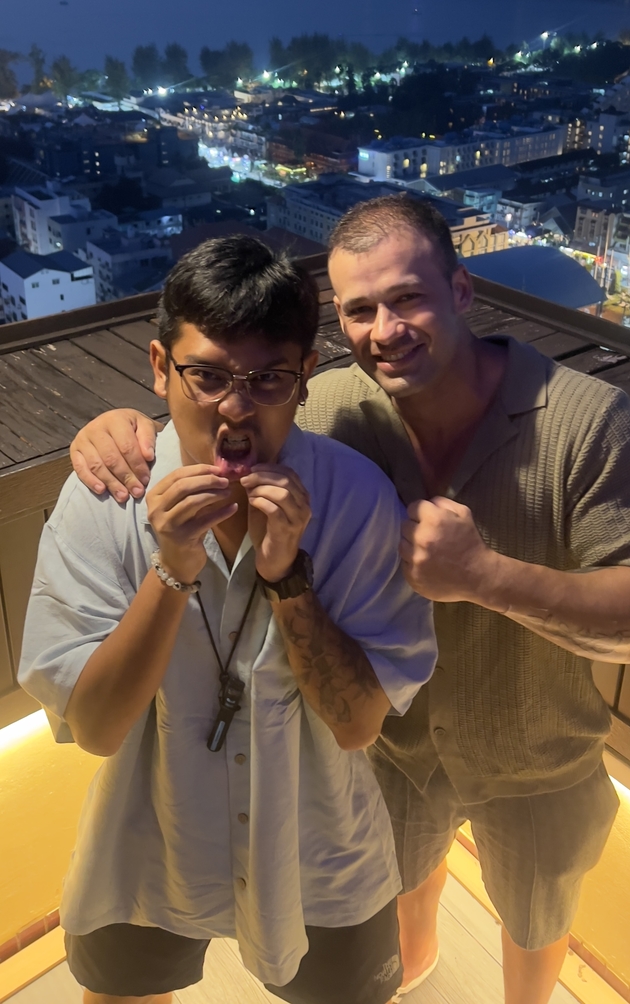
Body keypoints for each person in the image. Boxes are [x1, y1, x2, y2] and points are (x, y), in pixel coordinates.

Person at [69, 197, 630, 1004]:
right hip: (391, 752)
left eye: (408, 297)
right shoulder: (334, 410)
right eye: (361, 309)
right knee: (400, 939)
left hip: (536, 756)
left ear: (462, 290)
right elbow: (230, 406)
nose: (385, 329)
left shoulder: (585, 420)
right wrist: (123, 428)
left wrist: (485, 577)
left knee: (534, 931)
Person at [20, 235, 437, 1004]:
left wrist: (290, 579)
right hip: (147, 832)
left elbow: (357, 727)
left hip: (319, 840)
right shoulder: (105, 496)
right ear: (158, 366)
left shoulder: (356, 499)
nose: (235, 408)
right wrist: (170, 569)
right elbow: (100, 730)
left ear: (306, 375)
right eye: (206, 376)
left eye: (267, 378)